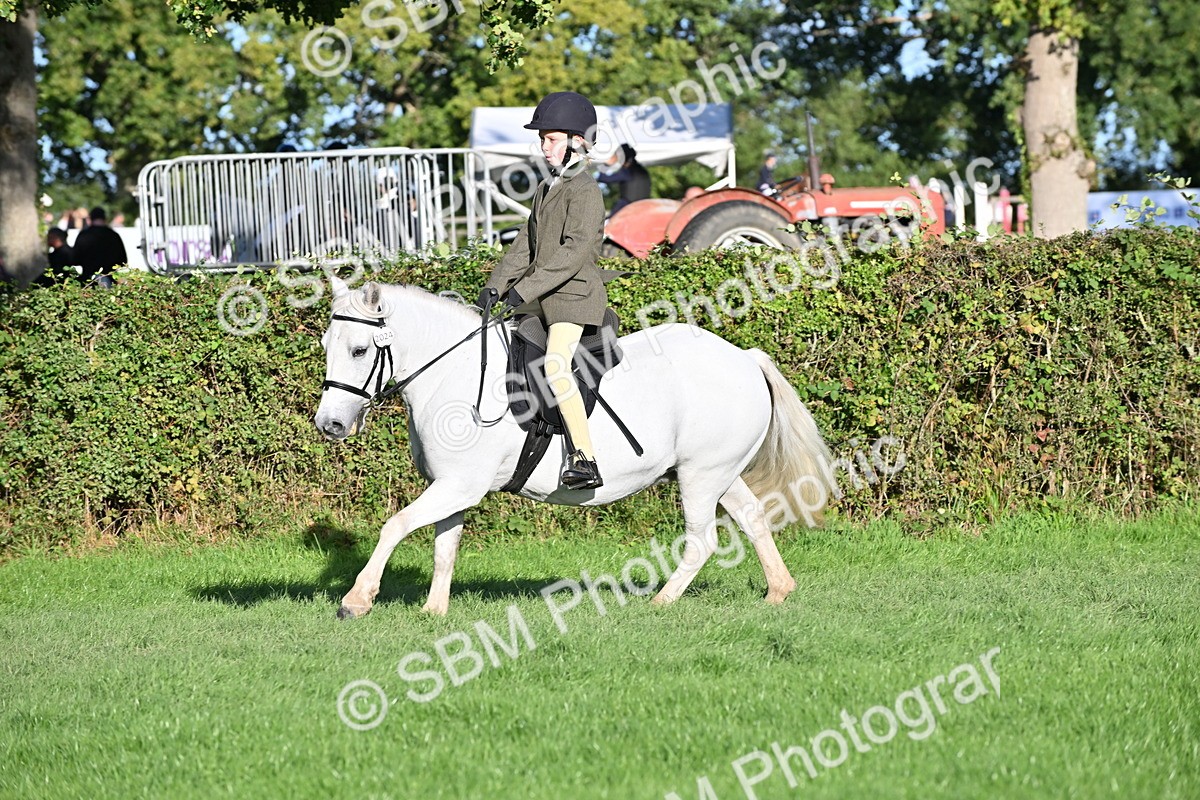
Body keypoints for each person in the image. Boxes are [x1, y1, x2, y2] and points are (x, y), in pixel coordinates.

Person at [477, 91, 609, 490]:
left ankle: (585, 459)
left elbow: (572, 254)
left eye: (550, 139)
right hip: (544, 299)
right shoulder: (546, 188)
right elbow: (524, 246)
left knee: (554, 364)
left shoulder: (585, 190)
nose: (543, 147)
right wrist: (495, 286)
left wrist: (523, 290)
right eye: (542, 140)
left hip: (574, 298)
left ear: (576, 141)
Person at [72, 207, 127, 286]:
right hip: (110, 278)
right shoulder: (113, 236)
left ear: (91, 218)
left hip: (88, 280)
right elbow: (123, 260)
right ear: (105, 218)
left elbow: (75, 259)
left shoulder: (83, 235)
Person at [596, 142, 651, 216]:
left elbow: (603, 178)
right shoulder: (643, 171)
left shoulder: (626, 172)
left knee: (608, 223)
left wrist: (606, 164)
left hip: (627, 207)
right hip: (643, 208)